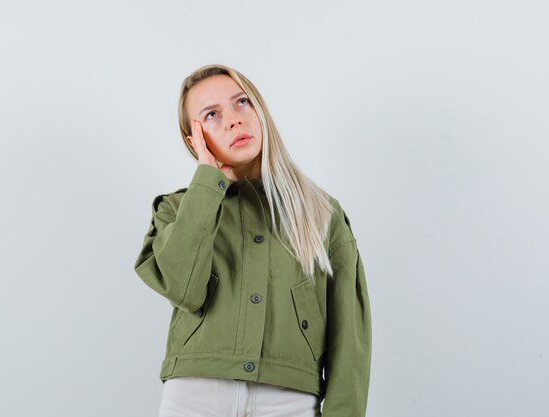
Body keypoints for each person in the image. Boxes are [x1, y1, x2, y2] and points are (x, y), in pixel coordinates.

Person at [133, 64, 372, 417]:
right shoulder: (177, 209)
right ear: (194, 140)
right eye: (212, 114)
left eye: (242, 102)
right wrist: (207, 182)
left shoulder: (323, 213)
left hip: (289, 401)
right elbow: (181, 287)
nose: (233, 120)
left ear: (260, 110)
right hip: (195, 396)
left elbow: (350, 340)